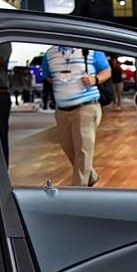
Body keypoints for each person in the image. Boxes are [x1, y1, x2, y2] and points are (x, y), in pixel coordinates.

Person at [42, 45, 111, 186]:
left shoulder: (91, 50)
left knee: (83, 150)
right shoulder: (50, 54)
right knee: (69, 148)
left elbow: (107, 70)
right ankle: (91, 177)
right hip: (62, 109)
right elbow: (48, 76)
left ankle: (78, 190)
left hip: (86, 106)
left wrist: (95, 79)